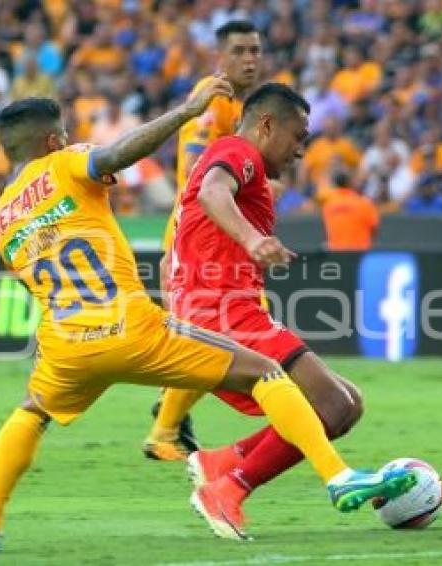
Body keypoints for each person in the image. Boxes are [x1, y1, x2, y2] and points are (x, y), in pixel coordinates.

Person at [0, 83, 416, 553]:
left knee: (32, 412)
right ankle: (336, 476)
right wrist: (185, 112)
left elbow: (31, 281)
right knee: (265, 372)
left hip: (64, 342)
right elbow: (115, 155)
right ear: (53, 141)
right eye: (66, 134)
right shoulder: (65, 163)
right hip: (131, 324)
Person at [166, 83, 367, 539]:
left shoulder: (241, 161)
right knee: (332, 405)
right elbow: (212, 194)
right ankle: (227, 490)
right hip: (221, 310)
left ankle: (225, 462)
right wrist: (253, 240)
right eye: (297, 137)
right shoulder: (239, 151)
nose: (300, 150)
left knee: (349, 403)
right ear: (267, 125)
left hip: (216, 308)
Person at [145, 20, 263, 461]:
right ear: (221, 56)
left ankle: (169, 420)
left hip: (210, 239)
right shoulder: (215, 99)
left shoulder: (234, 104)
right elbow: (198, 167)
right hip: (196, 240)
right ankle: (164, 429)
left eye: (255, 50)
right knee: (219, 334)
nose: (249, 59)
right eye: (240, 51)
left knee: (215, 336)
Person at [322, 169, 380, 251]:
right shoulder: (364, 203)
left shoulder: (328, 205)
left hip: (337, 254)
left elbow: (327, 233)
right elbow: (374, 229)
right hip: (360, 253)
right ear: (350, 182)